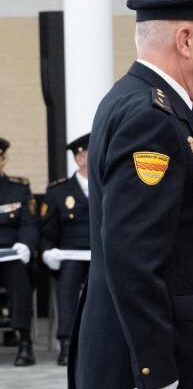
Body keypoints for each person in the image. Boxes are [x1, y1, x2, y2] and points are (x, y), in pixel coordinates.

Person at [72, 0, 193, 389]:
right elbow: (133, 257)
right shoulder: (151, 116)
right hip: (160, 360)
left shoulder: (152, 105)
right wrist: (158, 373)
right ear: (186, 40)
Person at [40, 133, 92, 366]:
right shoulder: (59, 191)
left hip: (101, 254)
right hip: (71, 255)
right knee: (69, 279)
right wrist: (48, 250)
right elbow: (48, 230)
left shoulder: (108, 184)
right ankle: (67, 342)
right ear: (80, 158)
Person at [0, 137, 38, 367]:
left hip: (10, 254)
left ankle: (25, 341)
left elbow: (29, 223)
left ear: (3, 160)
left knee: (19, 274)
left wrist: (25, 244)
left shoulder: (18, 188)